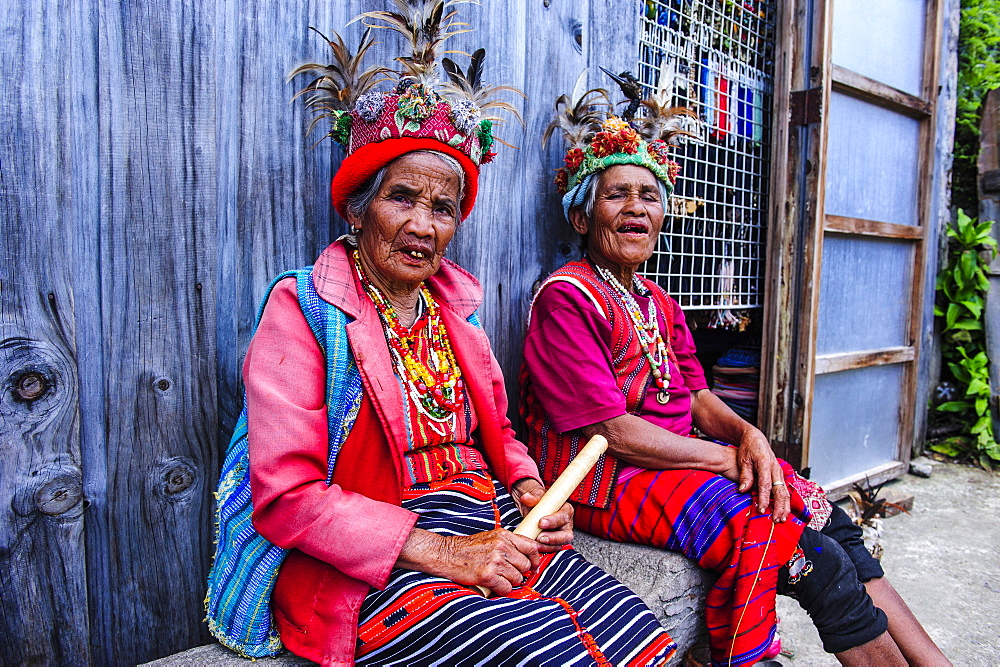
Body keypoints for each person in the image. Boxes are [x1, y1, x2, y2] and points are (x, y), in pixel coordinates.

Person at [206, 8, 676, 666]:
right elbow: (287, 497)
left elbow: (501, 432)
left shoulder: (455, 306)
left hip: (489, 521)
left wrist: (529, 489)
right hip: (375, 560)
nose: (424, 225)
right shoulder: (304, 308)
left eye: (443, 207)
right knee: (535, 652)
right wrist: (443, 551)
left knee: (629, 624)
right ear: (358, 205)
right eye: (403, 197)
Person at [520, 79, 951, 667]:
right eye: (617, 195)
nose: (636, 208)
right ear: (582, 214)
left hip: (676, 462)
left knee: (834, 523)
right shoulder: (566, 299)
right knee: (809, 558)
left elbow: (697, 394)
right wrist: (725, 459)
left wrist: (749, 437)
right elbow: (613, 433)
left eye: (649, 195)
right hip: (608, 480)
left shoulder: (652, 296)